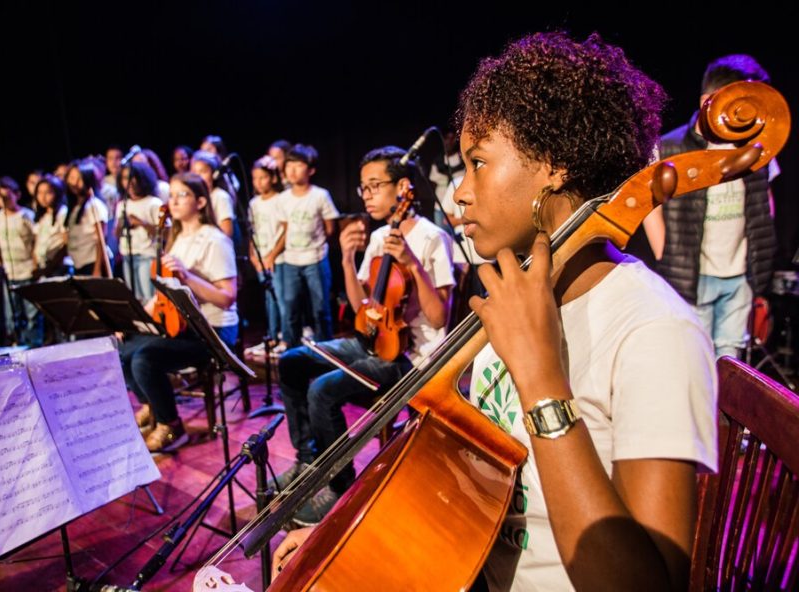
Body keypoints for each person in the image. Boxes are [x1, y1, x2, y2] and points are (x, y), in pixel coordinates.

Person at [273, 32, 717, 592]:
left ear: (554, 165)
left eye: (478, 163)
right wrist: (342, 535)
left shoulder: (653, 331)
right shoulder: (517, 297)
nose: (459, 193)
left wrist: (541, 380)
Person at [275, 145, 454, 525]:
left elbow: (440, 317)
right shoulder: (378, 237)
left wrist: (412, 264)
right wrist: (345, 259)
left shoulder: (432, 237)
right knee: (291, 362)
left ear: (402, 188)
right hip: (372, 340)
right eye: (364, 188)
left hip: (411, 357)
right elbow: (364, 309)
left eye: (374, 186)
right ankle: (308, 460)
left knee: (322, 390)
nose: (367, 196)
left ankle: (340, 486)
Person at [643, 54, 778, 359]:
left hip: (740, 274)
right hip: (694, 276)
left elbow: (765, 197)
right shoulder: (671, 147)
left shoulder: (757, 147)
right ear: (709, 101)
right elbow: (652, 204)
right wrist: (666, 252)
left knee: (730, 361)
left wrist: (760, 256)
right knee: (696, 356)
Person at [120, 172, 238, 453]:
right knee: (124, 349)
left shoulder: (214, 240)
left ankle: (171, 425)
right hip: (182, 327)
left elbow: (227, 297)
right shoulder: (177, 239)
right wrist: (130, 321)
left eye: (182, 195)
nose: (173, 201)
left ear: (200, 202)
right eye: (171, 195)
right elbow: (163, 295)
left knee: (145, 359)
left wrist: (187, 277)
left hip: (213, 330)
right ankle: (152, 405)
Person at [277, 144, 340, 347]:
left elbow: (330, 227)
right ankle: (291, 350)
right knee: (291, 307)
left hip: (315, 259)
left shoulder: (320, 195)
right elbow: (285, 229)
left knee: (320, 307)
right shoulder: (283, 199)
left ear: (310, 170)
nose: (292, 170)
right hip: (291, 261)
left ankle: (326, 349)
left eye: (298, 165)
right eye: (289, 165)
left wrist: (317, 244)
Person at [245, 155, 287, 357]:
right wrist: (253, 256)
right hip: (261, 259)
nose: (259, 182)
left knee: (281, 298)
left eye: (263, 177)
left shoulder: (281, 200)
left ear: (273, 178)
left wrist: (272, 255)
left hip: (277, 258)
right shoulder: (253, 203)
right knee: (269, 299)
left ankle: (285, 337)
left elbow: (286, 229)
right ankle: (271, 336)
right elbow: (252, 232)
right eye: (255, 178)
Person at [0, 176, 38, 346]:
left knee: (31, 312)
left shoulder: (27, 215)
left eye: (7, 197)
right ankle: (17, 343)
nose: (3, 201)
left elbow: (36, 240)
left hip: (27, 269)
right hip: (8, 272)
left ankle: (34, 343)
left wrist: (35, 264)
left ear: (16, 194)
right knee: (12, 314)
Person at [115, 161, 163, 303]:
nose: (129, 182)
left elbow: (165, 233)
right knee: (134, 299)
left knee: (149, 298)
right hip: (127, 255)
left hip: (146, 255)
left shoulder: (153, 203)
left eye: (132, 177)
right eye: (125, 178)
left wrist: (141, 223)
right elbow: (116, 235)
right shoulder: (122, 204)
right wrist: (121, 224)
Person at [65, 161, 110, 276]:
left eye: (79, 179)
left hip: (93, 262)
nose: (74, 183)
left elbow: (101, 240)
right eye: (71, 178)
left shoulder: (94, 205)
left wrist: (97, 269)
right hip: (79, 262)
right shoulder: (75, 207)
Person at [190, 150, 237, 238]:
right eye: (194, 172)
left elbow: (227, 233)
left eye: (203, 172)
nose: (198, 176)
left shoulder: (220, 197)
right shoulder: (192, 198)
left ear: (214, 174)